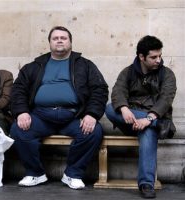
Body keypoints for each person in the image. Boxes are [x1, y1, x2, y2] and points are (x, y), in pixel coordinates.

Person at [10, 26, 109, 189]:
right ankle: (35, 173)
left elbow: (99, 90)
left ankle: (73, 174)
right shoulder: (35, 66)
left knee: (94, 132)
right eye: (55, 38)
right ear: (49, 43)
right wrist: (21, 112)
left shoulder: (85, 65)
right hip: (41, 116)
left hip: (73, 116)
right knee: (19, 130)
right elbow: (18, 90)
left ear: (70, 42)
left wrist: (91, 114)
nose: (59, 40)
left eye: (63, 38)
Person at [105, 35, 177, 199]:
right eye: (153, 57)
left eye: (160, 56)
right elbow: (118, 92)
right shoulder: (128, 72)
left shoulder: (167, 74)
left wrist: (149, 118)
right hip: (131, 121)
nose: (158, 60)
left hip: (152, 118)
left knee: (148, 131)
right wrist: (123, 108)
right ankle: (158, 124)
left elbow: (166, 99)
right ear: (141, 57)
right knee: (109, 109)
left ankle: (146, 184)